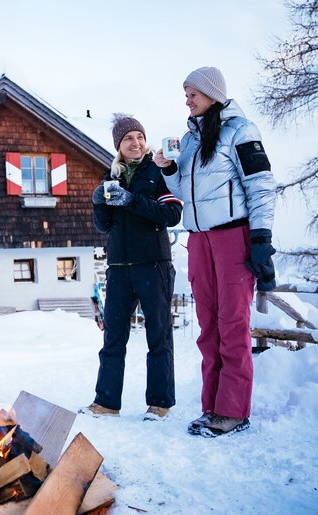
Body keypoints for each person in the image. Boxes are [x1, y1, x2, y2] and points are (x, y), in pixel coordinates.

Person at [154, 66, 277, 437]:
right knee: (208, 326)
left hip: (232, 237)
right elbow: (183, 189)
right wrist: (169, 168)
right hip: (199, 239)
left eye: (192, 93)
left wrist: (261, 238)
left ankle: (233, 411)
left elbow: (261, 186)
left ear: (212, 94)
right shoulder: (190, 138)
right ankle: (211, 406)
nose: (187, 100)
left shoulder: (241, 130)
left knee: (233, 325)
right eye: (185, 93)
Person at [79, 115, 183, 421]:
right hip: (119, 267)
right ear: (119, 146)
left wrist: (132, 200)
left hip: (153, 264)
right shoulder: (111, 175)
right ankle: (107, 403)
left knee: (158, 335)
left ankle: (159, 403)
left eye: (139, 136)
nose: (135, 143)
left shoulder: (158, 171)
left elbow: (172, 213)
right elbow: (104, 225)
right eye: (128, 139)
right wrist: (99, 201)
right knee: (113, 338)